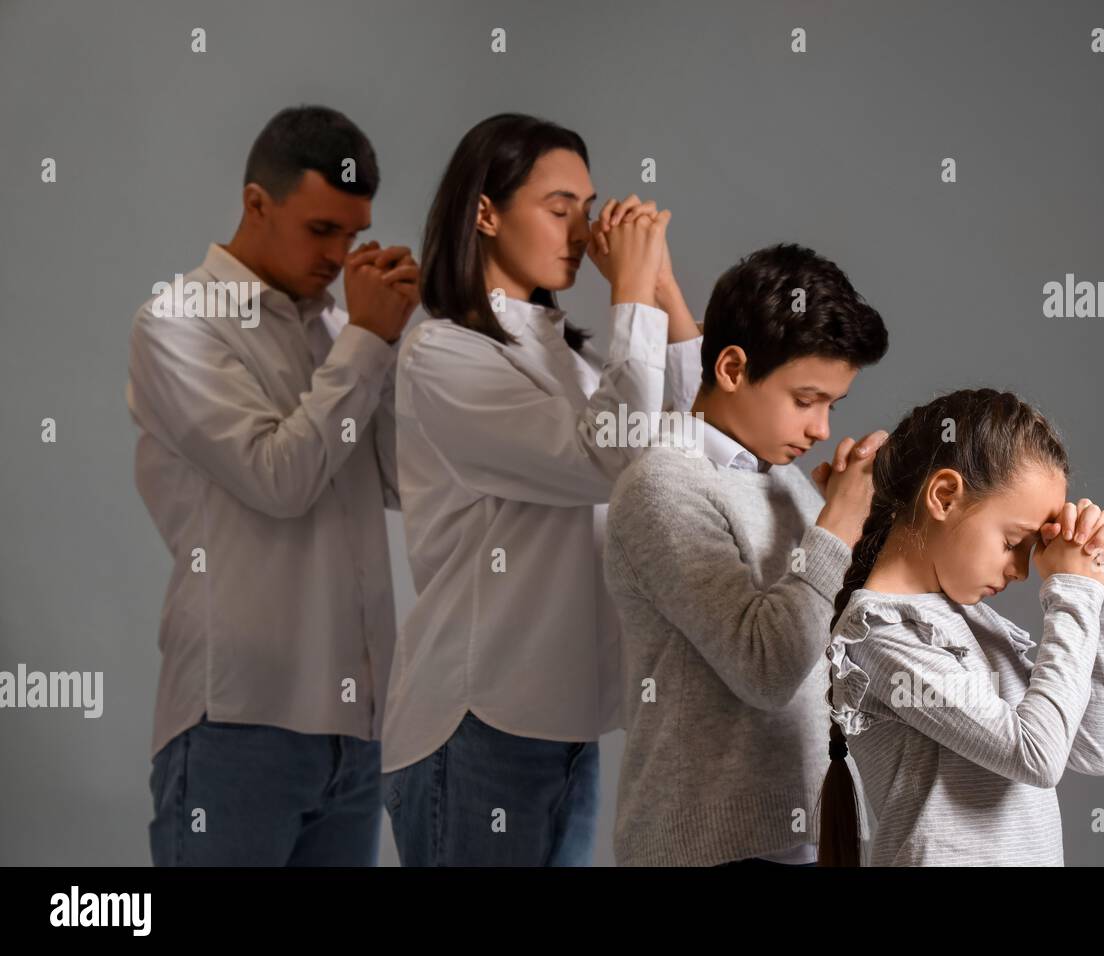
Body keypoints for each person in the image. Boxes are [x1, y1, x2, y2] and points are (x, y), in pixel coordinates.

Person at [381, 112, 703, 866]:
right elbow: (608, 457)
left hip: (568, 725)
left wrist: (659, 284)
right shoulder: (441, 354)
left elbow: (695, 441)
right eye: (559, 209)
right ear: (486, 213)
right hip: (477, 720)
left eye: (587, 213)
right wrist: (628, 292)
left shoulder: (580, 361)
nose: (580, 229)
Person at [127, 105, 418, 865]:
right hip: (237, 719)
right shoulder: (177, 321)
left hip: (357, 730)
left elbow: (402, 479)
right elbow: (277, 478)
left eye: (353, 234)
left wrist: (389, 343)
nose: (338, 254)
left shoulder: (338, 330)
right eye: (321, 229)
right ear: (257, 203)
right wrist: (365, 342)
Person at [604, 243, 889, 866]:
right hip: (707, 846)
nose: (820, 428)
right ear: (732, 369)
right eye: (804, 399)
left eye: (831, 406)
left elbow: (825, 642)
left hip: (806, 832)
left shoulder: (781, 479)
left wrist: (853, 530)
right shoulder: (664, 485)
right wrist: (835, 525)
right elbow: (766, 669)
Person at [817, 388, 1104, 866]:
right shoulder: (880, 635)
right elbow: (1037, 755)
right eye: (1012, 542)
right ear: (944, 496)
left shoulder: (969, 617)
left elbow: (1092, 746)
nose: (1023, 571)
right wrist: (1074, 592)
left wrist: (1098, 592)